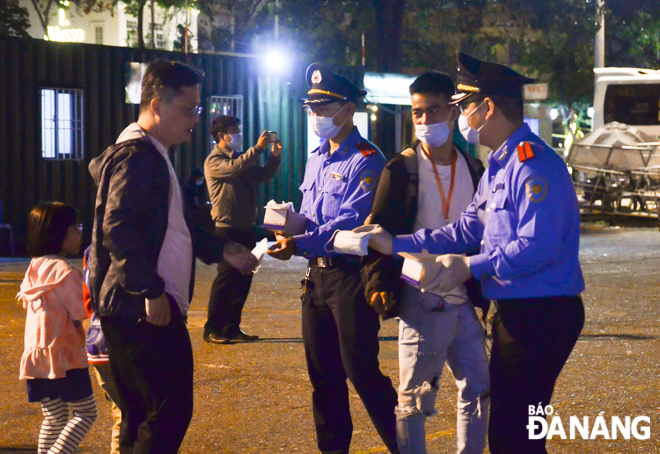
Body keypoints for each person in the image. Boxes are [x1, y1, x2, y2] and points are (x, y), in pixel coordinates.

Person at [368, 52, 585, 454]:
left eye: (464, 105)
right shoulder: (500, 164)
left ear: (487, 107)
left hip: (542, 315)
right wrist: (393, 243)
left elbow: (538, 246)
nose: (461, 116)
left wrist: (469, 265)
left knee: (513, 432)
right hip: (518, 312)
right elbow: (467, 227)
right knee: (512, 430)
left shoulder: (531, 165)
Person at [87, 59, 258, 454]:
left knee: (141, 415)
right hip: (141, 311)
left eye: (198, 109)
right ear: (157, 106)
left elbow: (175, 227)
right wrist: (150, 290)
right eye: (188, 109)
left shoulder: (154, 153)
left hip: (134, 308)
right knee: (168, 412)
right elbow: (119, 227)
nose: (195, 119)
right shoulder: (138, 156)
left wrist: (222, 248)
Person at [268, 63, 398, 454]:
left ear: (348, 109)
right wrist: (290, 224)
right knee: (323, 378)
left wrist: (300, 242)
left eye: (324, 108)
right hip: (316, 280)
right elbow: (315, 217)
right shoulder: (317, 157)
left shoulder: (367, 160)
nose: (316, 115)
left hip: (350, 279)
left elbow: (349, 224)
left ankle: (405, 444)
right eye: (312, 108)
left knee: (362, 372)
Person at [361, 71, 490, 454]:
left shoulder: (474, 169)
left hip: (462, 295)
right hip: (420, 298)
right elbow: (377, 232)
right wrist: (377, 284)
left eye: (433, 111)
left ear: (453, 111)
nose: (424, 121)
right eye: (417, 113)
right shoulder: (400, 170)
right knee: (415, 398)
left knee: (480, 389)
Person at [18, 201, 97, 454]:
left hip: (37, 357)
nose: (80, 232)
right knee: (86, 413)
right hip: (64, 357)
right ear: (59, 233)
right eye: (76, 227)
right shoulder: (65, 271)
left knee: (54, 418)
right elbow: (81, 310)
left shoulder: (35, 266)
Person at [203, 116, 282, 344]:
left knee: (243, 278)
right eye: (234, 131)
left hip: (246, 227)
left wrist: (273, 157)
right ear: (221, 136)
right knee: (226, 279)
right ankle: (212, 330)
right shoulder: (215, 161)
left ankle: (232, 328)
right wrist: (258, 147)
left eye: (238, 130)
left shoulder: (242, 159)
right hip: (226, 229)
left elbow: (264, 176)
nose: (238, 134)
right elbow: (235, 167)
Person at [83, 245, 121, 454]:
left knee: (122, 412)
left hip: (97, 341)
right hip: (121, 342)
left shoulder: (92, 249)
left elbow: (88, 300)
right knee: (132, 414)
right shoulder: (134, 243)